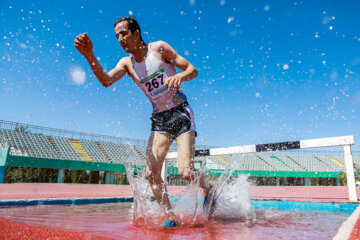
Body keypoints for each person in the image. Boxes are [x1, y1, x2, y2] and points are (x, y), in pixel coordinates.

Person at [74, 17, 214, 226]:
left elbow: (193, 70)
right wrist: (89, 55)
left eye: (124, 34)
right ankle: (170, 216)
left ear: (136, 33)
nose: (120, 39)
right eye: (117, 36)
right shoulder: (126, 63)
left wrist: (180, 77)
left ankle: (208, 189)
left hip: (181, 112)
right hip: (160, 119)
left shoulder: (159, 48)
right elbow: (106, 80)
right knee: (151, 174)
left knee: (185, 172)